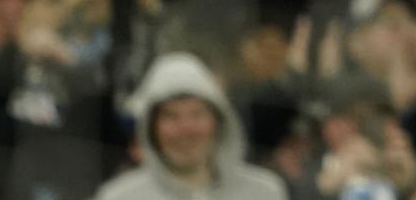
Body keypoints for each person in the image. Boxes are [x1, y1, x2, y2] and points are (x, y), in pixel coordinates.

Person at [91, 51, 287, 200]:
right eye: (171, 116)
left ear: (219, 122)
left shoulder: (265, 193)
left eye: (197, 114)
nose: (185, 129)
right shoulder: (118, 197)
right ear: (150, 129)